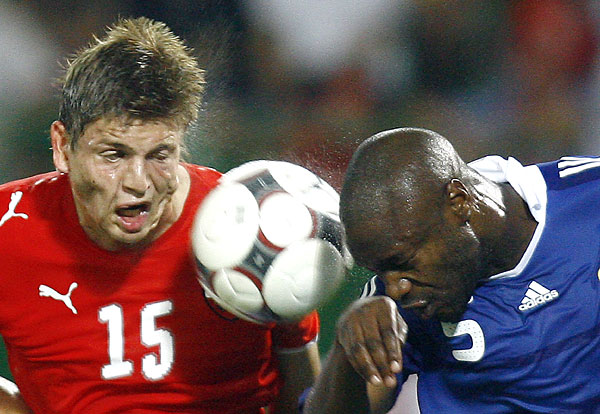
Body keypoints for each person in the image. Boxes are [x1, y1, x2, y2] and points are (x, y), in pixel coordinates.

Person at [0, 17, 321, 414]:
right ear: (63, 147)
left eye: (159, 155)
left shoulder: (255, 229)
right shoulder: (7, 227)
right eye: (113, 155)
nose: (138, 182)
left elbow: (305, 396)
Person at [303, 127, 600, 413]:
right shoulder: (391, 309)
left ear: (459, 202)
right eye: (380, 272)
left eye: (403, 263)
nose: (396, 288)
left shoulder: (588, 194)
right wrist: (346, 351)